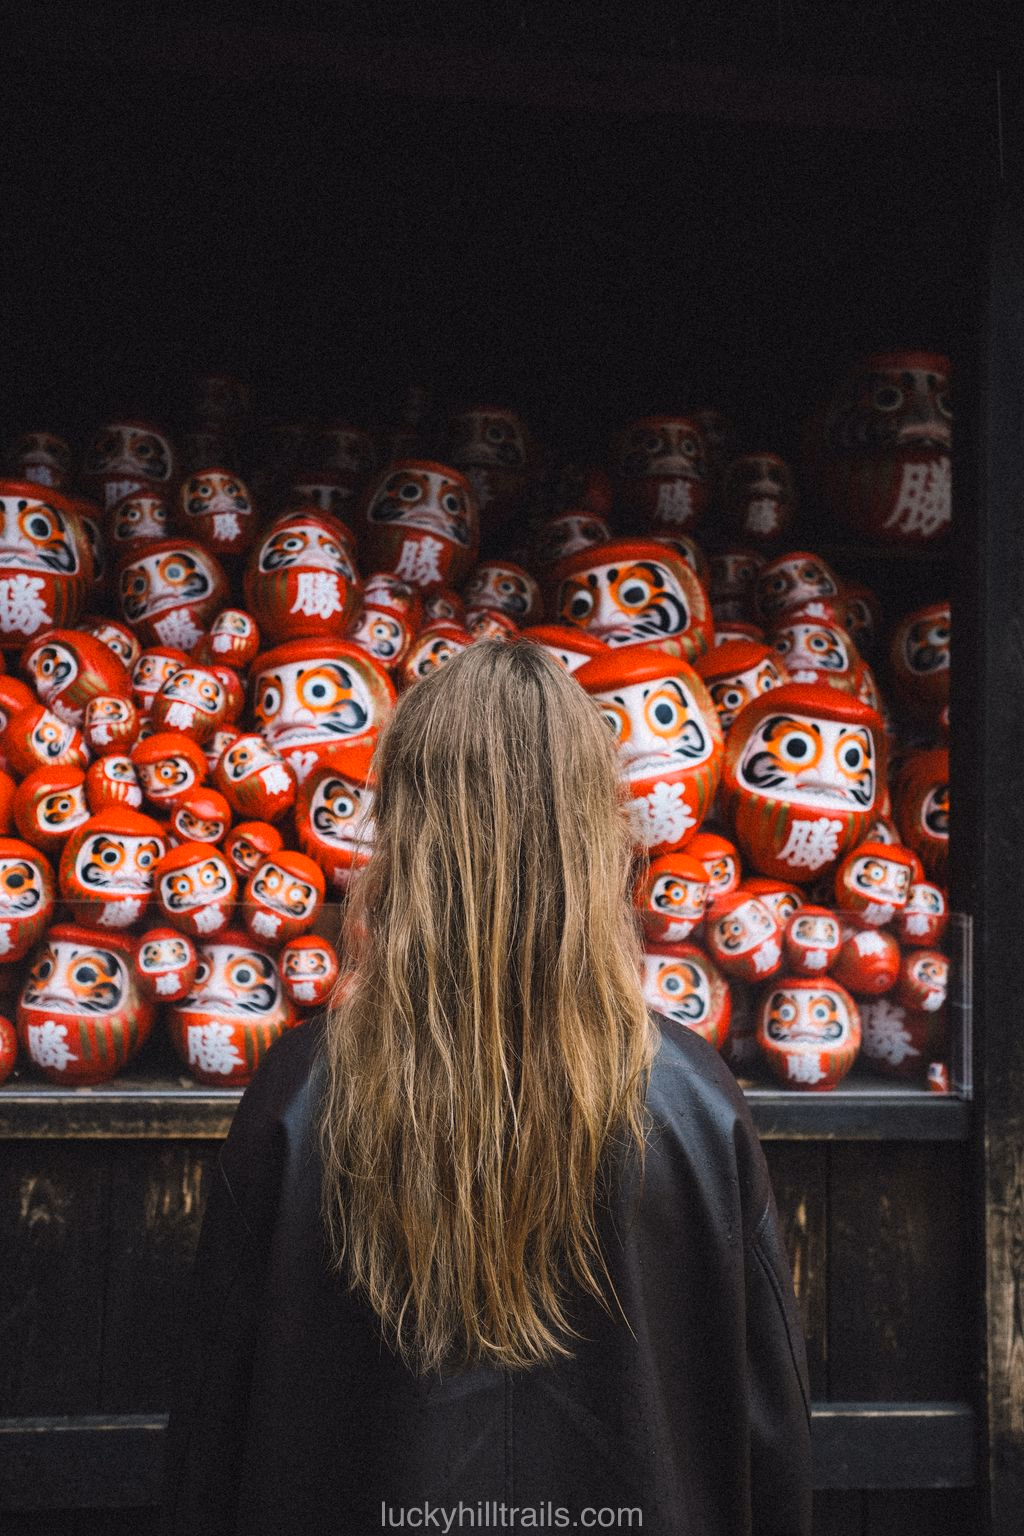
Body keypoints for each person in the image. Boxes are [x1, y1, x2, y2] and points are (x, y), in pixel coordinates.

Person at [161, 638, 812, 1536]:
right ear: (597, 830)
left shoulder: (299, 1095)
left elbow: (212, 1427)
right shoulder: (695, 1103)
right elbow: (769, 1430)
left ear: (405, 833)